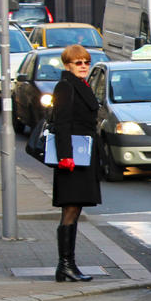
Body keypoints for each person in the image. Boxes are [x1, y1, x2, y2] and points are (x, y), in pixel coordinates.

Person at [51, 44, 101, 283]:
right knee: (70, 209)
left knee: (75, 208)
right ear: (67, 65)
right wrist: (65, 156)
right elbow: (61, 123)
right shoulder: (65, 86)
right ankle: (66, 265)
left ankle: (67, 266)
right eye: (77, 63)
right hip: (72, 159)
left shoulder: (80, 85)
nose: (83, 66)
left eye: (86, 62)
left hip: (82, 156)